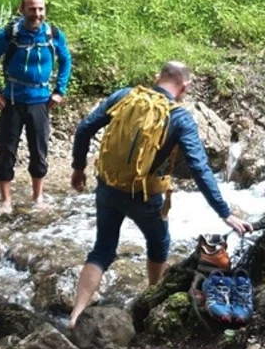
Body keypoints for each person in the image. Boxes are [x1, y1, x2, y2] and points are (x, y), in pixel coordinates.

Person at [66, 61, 253, 329]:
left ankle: (75, 316)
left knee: (103, 249)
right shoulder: (179, 118)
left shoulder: (125, 96)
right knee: (159, 245)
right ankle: (152, 303)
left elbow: (84, 128)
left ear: (157, 77)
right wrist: (225, 213)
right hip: (144, 197)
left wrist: (78, 168)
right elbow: (200, 168)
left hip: (108, 186)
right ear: (185, 87)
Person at [0, 0, 72, 214]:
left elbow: (66, 60)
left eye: (40, 9)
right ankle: (6, 201)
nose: (37, 13)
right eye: (32, 9)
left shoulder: (53, 34)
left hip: (40, 102)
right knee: (6, 151)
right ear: (21, 10)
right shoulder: (10, 34)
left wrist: (59, 90)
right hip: (11, 101)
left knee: (39, 151)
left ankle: (38, 198)